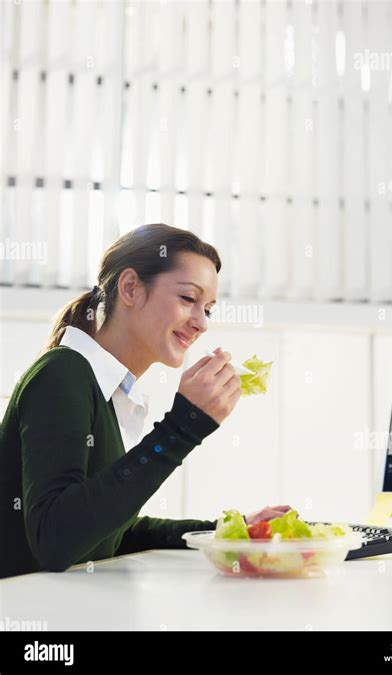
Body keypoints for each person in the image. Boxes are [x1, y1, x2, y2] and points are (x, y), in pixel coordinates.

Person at [0, 223, 289, 579]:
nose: (201, 323)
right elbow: (57, 539)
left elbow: (111, 531)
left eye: (209, 309)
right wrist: (183, 427)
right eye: (188, 299)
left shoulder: (105, 390)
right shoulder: (63, 373)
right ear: (131, 288)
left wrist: (232, 530)